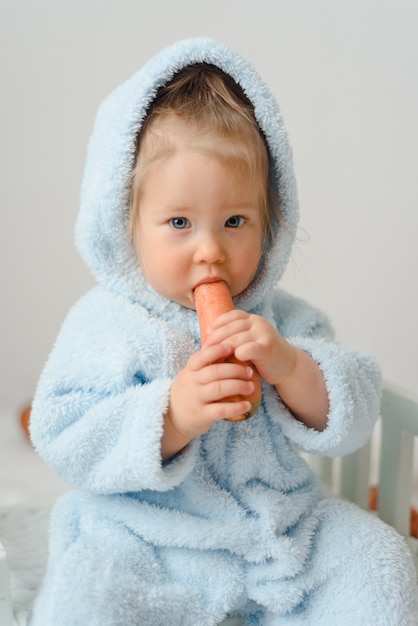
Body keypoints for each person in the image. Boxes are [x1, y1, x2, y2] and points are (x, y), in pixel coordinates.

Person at [28, 38, 418, 625]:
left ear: (271, 222)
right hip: (149, 539)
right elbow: (66, 436)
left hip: (279, 532)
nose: (210, 250)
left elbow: (353, 412)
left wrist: (291, 367)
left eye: (235, 221)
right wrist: (173, 414)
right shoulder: (105, 324)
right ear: (127, 224)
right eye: (179, 222)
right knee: (89, 588)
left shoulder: (282, 318)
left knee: (377, 557)